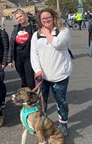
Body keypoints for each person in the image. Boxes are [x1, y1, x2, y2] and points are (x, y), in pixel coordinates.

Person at [30, 8, 73, 137]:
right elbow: (34, 54)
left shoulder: (63, 31)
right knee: (42, 102)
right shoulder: (36, 35)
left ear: (53, 17)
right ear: (40, 20)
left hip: (60, 73)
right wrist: (37, 70)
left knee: (61, 101)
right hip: (43, 75)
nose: (46, 20)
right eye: (43, 19)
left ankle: (63, 123)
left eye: (48, 17)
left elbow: (58, 44)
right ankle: (42, 123)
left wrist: (47, 33)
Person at [8, 9, 37, 89]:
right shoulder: (16, 28)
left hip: (29, 57)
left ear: (25, 16)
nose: (19, 19)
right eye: (17, 18)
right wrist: (9, 60)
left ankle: (32, 97)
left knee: (30, 81)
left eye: (20, 16)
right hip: (18, 58)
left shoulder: (33, 27)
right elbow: (11, 44)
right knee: (23, 80)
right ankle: (26, 97)